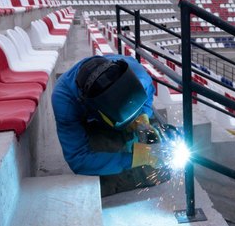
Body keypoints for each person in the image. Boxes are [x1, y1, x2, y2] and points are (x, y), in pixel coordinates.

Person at [52, 54, 174, 197]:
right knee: (105, 179)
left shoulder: (138, 74)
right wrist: (138, 157)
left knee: (160, 169)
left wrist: (143, 118)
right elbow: (78, 160)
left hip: (114, 111)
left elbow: (148, 95)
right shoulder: (65, 102)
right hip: (93, 123)